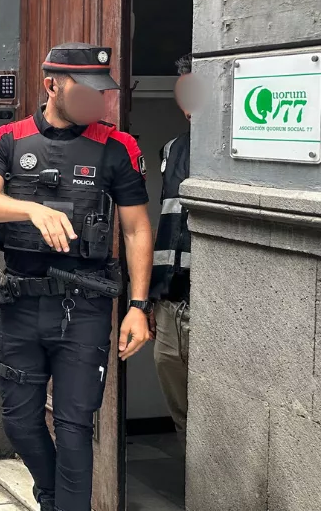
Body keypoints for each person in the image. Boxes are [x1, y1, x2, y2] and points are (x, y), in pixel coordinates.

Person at [0, 43, 154, 511]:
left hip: (83, 308)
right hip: (19, 303)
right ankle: (51, 496)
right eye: (85, 90)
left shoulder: (117, 147)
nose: (98, 100)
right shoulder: (7, 139)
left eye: (102, 91)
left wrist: (138, 306)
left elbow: (136, 227)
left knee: (73, 428)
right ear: (51, 85)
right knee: (20, 422)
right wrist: (30, 207)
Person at [151, 55, 194, 444]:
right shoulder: (172, 149)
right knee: (167, 368)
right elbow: (167, 223)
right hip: (169, 298)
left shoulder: (232, 152)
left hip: (206, 300)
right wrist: (153, 296)